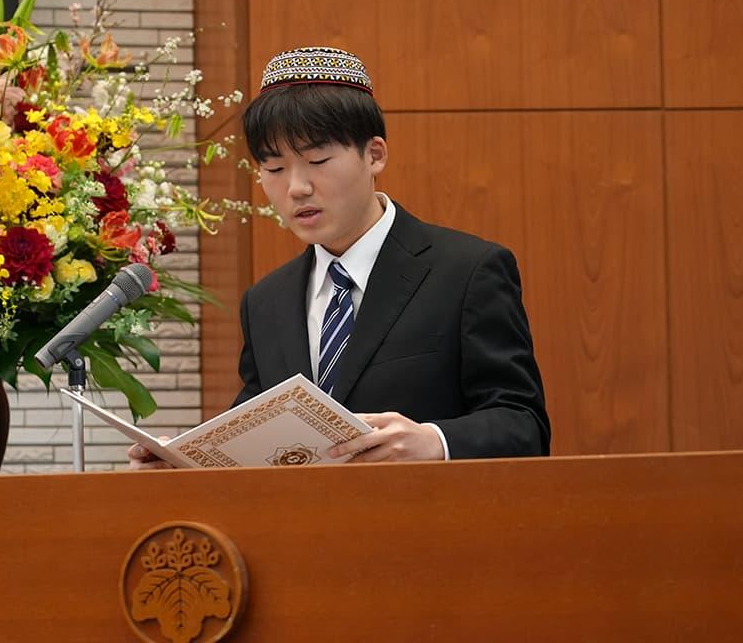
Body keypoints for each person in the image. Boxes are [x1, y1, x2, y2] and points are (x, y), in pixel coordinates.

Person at [129, 46, 549, 469]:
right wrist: (184, 462)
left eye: (317, 160)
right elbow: (254, 437)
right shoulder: (265, 302)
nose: (296, 188)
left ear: (375, 154)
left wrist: (435, 440)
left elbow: (524, 424)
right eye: (273, 169)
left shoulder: (467, 271)